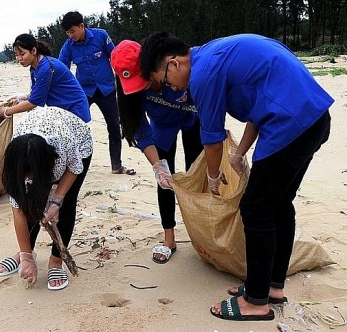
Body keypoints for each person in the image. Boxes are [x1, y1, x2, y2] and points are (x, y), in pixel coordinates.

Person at [139, 32, 333, 321]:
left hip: (289, 125)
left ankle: (256, 301)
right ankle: (271, 287)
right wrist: (240, 152)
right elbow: (260, 103)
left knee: (256, 209)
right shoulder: (216, 53)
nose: (171, 88)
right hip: (312, 118)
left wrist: (214, 178)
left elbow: (212, 138)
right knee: (279, 204)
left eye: (165, 81)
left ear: (174, 63)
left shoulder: (202, 74)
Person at [110, 40, 203, 264]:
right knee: (165, 181)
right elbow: (141, 131)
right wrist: (158, 167)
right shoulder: (131, 93)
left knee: (198, 176)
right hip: (163, 127)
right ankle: (169, 238)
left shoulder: (176, 69)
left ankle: (202, 236)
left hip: (194, 120)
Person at [0, 106, 93, 291]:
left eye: (31, 176)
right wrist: (26, 256)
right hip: (39, 141)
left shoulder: (64, 144)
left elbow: (74, 168)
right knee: (29, 201)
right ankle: (26, 252)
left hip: (79, 142)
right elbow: (18, 210)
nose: (29, 179)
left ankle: (56, 261)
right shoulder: (16, 153)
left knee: (66, 204)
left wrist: (57, 199)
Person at [58, 11, 135, 175]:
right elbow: (61, 69)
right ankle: (71, 165)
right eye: (67, 33)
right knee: (74, 126)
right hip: (83, 92)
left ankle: (117, 165)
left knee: (114, 126)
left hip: (106, 89)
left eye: (72, 31)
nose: (70, 35)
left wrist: (125, 83)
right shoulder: (69, 46)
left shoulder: (101, 36)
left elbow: (116, 58)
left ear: (81, 26)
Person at [0, 33, 90, 123]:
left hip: (74, 110)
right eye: (16, 55)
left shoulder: (46, 68)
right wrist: (22, 97)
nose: (19, 58)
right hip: (61, 110)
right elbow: (37, 93)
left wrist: (7, 111)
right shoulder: (34, 68)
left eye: (22, 54)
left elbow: (34, 102)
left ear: (34, 51)